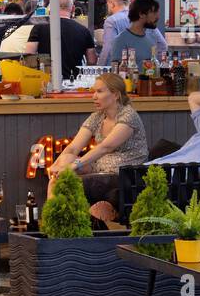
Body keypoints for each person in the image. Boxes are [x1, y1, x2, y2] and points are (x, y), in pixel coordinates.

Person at [45, 73, 147, 201]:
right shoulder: (97, 116)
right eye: (94, 92)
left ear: (115, 95)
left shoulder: (128, 116)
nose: (94, 97)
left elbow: (105, 147)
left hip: (123, 174)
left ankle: (55, 213)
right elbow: (73, 148)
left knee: (66, 177)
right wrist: (56, 166)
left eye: (99, 91)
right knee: (64, 162)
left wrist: (73, 166)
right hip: (100, 168)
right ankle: (56, 213)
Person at [24, 0, 96, 80]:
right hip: (74, 82)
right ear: (73, 9)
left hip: (48, 81)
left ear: (51, 8)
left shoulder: (39, 27)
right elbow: (92, 61)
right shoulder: (84, 30)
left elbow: (29, 55)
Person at [98, 0, 165, 65]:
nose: (157, 17)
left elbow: (108, 49)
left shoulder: (112, 21)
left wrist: (101, 68)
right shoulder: (146, 24)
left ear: (112, 4)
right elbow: (162, 45)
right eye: (154, 13)